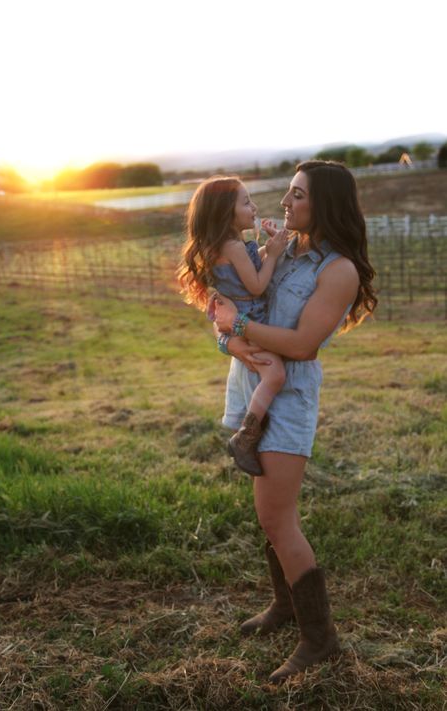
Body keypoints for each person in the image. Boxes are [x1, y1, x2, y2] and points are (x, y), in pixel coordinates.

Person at [213, 160, 377, 683]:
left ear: (324, 203)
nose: (285, 202)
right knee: (269, 514)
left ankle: (319, 638)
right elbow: (247, 288)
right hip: (254, 382)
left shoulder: (339, 270)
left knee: (278, 519)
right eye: (287, 193)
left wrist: (238, 324)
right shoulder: (289, 251)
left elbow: (304, 344)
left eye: (297, 195)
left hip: (288, 398)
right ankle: (284, 608)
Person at [177, 176, 289, 475]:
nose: (253, 207)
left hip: (238, 318)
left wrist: (267, 247)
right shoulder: (234, 246)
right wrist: (275, 254)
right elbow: (255, 286)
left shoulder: (222, 245)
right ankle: (246, 436)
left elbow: (247, 270)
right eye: (246, 201)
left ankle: (249, 427)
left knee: (266, 372)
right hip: (250, 317)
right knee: (275, 374)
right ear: (225, 211)